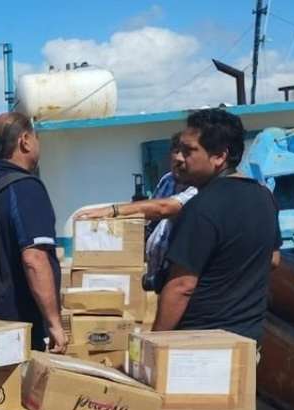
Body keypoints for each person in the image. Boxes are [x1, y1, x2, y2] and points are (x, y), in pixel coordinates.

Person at [153, 108, 280, 339]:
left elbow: (182, 286)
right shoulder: (265, 197)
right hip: (248, 339)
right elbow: (273, 259)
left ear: (220, 156)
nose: (179, 158)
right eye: (178, 149)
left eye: (189, 151)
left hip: (201, 344)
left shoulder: (200, 208)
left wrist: (153, 342)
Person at [0, 112, 66, 352]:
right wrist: (54, 323)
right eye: (36, 137)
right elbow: (34, 258)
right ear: (25, 140)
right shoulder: (25, 187)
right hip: (14, 327)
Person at [72, 132, 197, 292]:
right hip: (156, 276)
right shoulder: (167, 180)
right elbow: (151, 215)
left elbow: (163, 208)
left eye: (185, 153)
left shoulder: (199, 188)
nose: (179, 158)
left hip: (180, 281)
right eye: (176, 151)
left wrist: (114, 210)